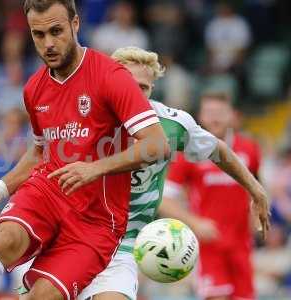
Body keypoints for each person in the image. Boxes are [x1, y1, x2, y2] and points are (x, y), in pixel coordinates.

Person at [0, 1, 170, 300]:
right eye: (38, 34)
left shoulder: (111, 76)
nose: (48, 43)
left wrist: (94, 168)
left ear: (75, 24)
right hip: (47, 192)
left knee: (43, 296)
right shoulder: (34, 88)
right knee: (4, 240)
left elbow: (157, 145)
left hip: (96, 222)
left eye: (56, 31)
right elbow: (39, 153)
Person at [21, 47, 270, 300]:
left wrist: (256, 190)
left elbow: (219, 150)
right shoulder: (82, 119)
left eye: (144, 88)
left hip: (125, 242)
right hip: (72, 235)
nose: (135, 94)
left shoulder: (170, 125)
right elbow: (40, 161)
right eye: (128, 84)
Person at [161, 93, 264, 300]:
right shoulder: (189, 153)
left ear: (234, 116)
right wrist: (195, 223)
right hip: (209, 247)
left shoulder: (249, 149)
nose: (214, 119)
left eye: (220, 113)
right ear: (200, 116)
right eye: (209, 113)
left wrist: (257, 217)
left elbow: (257, 189)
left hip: (241, 245)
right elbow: (163, 200)